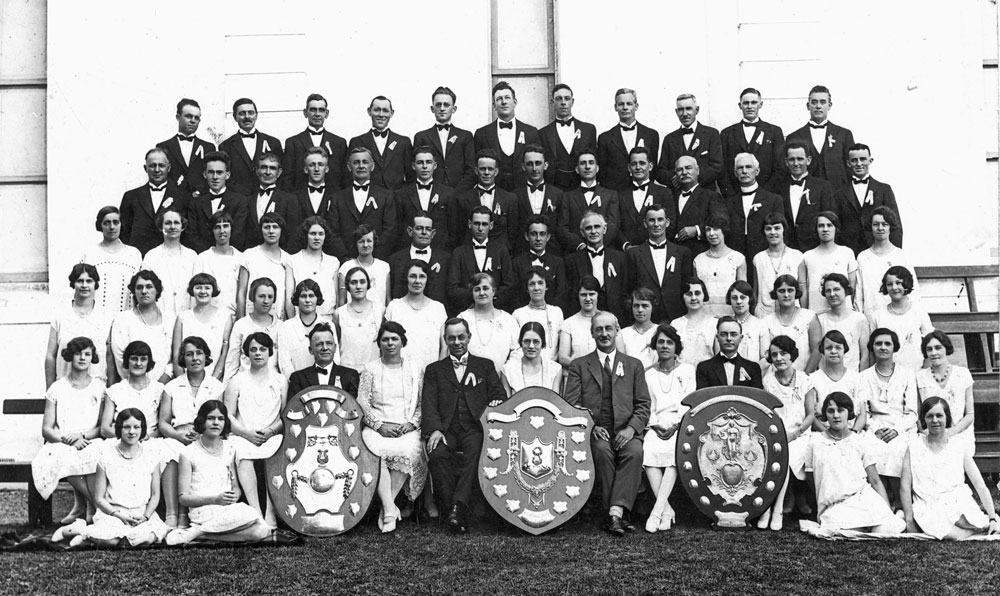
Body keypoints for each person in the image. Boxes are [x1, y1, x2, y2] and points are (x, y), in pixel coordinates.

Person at [564, 312, 651, 536]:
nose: (604, 334)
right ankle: (618, 513)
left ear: (617, 330)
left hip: (626, 431)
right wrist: (592, 427)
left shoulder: (634, 365)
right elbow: (572, 405)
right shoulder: (579, 365)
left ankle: (614, 514)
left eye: (608, 329)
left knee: (634, 452)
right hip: (596, 432)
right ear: (592, 333)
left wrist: (631, 429)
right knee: (602, 453)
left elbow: (643, 404)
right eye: (599, 329)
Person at [422, 318, 506, 533]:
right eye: (451, 338)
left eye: (461, 337)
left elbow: (499, 394)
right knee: (437, 453)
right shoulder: (434, 370)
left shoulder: (484, 366)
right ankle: (455, 510)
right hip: (446, 429)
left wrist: (495, 402)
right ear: (445, 340)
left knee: (475, 452)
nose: (457, 342)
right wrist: (436, 430)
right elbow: (429, 404)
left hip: (474, 429)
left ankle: (457, 508)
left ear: (469, 337)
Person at [53, 409, 170, 548]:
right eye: (126, 427)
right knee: (111, 540)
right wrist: (119, 515)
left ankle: (87, 537)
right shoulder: (106, 456)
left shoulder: (151, 457)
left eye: (136, 427)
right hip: (113, 514)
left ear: (142, 429)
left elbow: (155, 494)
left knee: (146, 540)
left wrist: (145, 516)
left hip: (141, 513)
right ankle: (77, 530)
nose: (131, 432)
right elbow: (99, 498)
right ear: (119, 429)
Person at [797, 392, 904, 534]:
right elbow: (811, 479)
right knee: (847, 532)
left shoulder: (859, 441)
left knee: (887, 529)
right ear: (825, 415)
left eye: (841, 410)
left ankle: (895, 516)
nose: (836, 415)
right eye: (831, 411)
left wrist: (885, 509)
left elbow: (875, 481)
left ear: (849, 413)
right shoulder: (815, 442)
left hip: (863, 498)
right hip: (834, 505)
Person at [357, 321, 428, 532]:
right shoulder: (370, 369)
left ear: (402, 341)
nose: (389, 343)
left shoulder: (415, 370)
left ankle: (387, 506)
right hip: (378, 427)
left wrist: (412, 424)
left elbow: (423, 403)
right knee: (374, 451)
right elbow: (362, 402)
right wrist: (379, 426)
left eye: (394, 338)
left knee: (408, 451)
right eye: (385, 339)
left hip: (406, 427)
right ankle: (389, 508)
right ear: (379, 343)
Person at [167, 400, 271, 544]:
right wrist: (215, 499)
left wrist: (234, 495)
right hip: (203, 510)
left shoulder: (229, 448)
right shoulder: (188, 452)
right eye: (211, 418)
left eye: (220, 419)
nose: (216, 423)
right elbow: (183, 498)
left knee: (262, 531)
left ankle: (200, 533)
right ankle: (202, 529)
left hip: (226, 509)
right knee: (254, 519)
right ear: (202, 421)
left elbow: (235, 487)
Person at [99, 340, 179, 527]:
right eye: (133, 359)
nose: (138, 363)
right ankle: (112, 510)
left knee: (168, 451)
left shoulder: (159, 389)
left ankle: (172, 513)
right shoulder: (115, 390)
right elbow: (105, 428)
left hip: (150, 439)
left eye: (143, 359)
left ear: (149, 363)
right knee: (101, 453)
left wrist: (148, 436)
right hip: (120, 439)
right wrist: (126, 436)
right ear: (127, 362)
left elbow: (163, 422)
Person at [899, 397, 999, 539]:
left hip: (956, 499)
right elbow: (904, 485)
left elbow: (979, 484)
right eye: (929, 416)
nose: (934, 420)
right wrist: (909, 520)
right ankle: (974, 531)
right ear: (924, 419)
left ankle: (985, 525)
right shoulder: (914, 446)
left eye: (939, 415)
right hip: (927, 503)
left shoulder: (958, 444)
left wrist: (992, 517)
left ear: (947, 418)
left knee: (967, 520)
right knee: (950, 534)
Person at [33, 337, 105, 523]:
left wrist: (81, 436)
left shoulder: (99, 387)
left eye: (87, 354)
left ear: (92, 358)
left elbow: (100, 427)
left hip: (89, 438)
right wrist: (70, 439)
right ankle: (93, 504)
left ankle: (81, 507)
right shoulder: (57, 388)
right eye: (78, 353)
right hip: (62, 440)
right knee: (64, 456)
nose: (82, 358)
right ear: (70, 356)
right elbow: (47, 429)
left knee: (95, 454)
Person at [224, 332, 287, 527]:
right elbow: (228, 416)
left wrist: (271, 431)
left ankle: (271, 513)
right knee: (242, 454)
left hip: (272, 435)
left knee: (277, 453)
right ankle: (256, 514)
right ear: (246, 354)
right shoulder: (237, 380)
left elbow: (285, 416)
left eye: (262, 349)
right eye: (253, 350)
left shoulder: (280, 380)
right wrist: (246, 433)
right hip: (244, 435)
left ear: (270, 353)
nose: (258, 353)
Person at [758, 335, 816, 531]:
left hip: (801, 433)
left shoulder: (805, 379)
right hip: (777, 433)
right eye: (774, 355)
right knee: (777, 454)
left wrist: (796, 433)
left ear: (792, 355)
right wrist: (782, 435)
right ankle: (768, 508)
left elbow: (810, 415)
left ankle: (777, 509)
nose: (779, 358)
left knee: (788, 456)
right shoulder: (768, 381)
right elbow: (770, 415)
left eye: (783, 353)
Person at [641, 324, 694, 533]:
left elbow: (690, 402)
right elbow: (647, 405)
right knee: (649, 452)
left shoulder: (688, 371)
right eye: (661, 342)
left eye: (669, 342)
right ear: (655, 345)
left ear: (676, 347)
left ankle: (656, 512)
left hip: (680, 423)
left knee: (674, 453)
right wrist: (654, 424)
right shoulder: (647, 374)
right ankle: (666, 509)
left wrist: (676, 424)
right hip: (655, 424)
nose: (664, 346)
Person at [858, 328, 918, 497]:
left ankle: (900, 500)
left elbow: (913, 412)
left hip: (902, 426)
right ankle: (881, 499)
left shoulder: (907, 374)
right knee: (872, 448)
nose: (883, 347)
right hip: (874, 426)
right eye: (878, 344)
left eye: (887, 344)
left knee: (899, 448)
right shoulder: (863, 377)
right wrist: (876, 428)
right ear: (872, 347)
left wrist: (896, 429)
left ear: (894, 347)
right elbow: (865, 412)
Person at [45, 264, 113, 387]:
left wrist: (110, 390)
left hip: (97, 389)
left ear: (95, 284)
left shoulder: (106, 316)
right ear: (73, 284)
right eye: (80, 281)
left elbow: (109, 356)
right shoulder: (60, 315)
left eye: (89, 281)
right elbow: (51, 355)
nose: (84, 285)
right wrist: (50, 391)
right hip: (66, 387)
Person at [626, 204, 694, 323]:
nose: (656, 224)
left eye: (660, 220)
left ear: (667, 222)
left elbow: (686, 287)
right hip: (646, 317)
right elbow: (629, 289)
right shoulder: (633, 254)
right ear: (645, 223)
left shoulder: (682, 253)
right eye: (652, 220)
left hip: (675, 315)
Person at [159, 336, 226, 458]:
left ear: (206, 357)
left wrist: (203, 436)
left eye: (199, 353)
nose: (195, 358)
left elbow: (221, 421)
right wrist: (177, 436)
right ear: (183, 359)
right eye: (189, 354)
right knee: (167, 451)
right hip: (177, 439)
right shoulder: (171, 387)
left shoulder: (217, 387)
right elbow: (163, 423)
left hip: (207, 438)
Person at [119, 148, 190, 256]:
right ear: (145, 168)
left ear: (169, 168)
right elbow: (123, 232)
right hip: (139, 256)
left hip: (172, 257)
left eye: (161, 165)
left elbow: (187, 232)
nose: (157, 170)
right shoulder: (131, 196)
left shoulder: (183, 196)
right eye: (152, 165)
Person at [767, 140, 836, 252]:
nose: (795, 163)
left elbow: (829, 218)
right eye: (791, 159)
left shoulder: (822, 187)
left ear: (808, 160)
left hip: (813, 247)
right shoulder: (778, 187)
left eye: (800, 159)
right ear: (786, 162)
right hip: (785, 247)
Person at [473, 80, 541, 192]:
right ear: (494, 106)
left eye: (507, 97)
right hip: (494, 191)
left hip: (524, 192)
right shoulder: (482, 133)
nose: (504, 102)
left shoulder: (531, 132)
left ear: (515, 102)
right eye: (499, 99)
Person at [915, 331, 976, 455]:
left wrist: (950, 432)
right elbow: (917, 413)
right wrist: (926, 432)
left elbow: (970, 414)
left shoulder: (962, 374)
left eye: (938, 348)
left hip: (959, 433)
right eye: (929, 349)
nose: (934, 353)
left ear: (946, 349)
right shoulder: (919, 377)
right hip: (930, 433)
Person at [835, 143, 902, 254]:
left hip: (878, 249)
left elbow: (895, 225)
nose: (859, 164)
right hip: (849, 251)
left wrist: (895, 254)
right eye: (854, 160)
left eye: (863, 159)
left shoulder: (884, 189)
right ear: (848, 163)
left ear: (870, 161)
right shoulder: (839, 193)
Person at [110, 270, 175, 384]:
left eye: (149, 287)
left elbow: (175, 357)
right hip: (132, 386)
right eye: (139, 287)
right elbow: (121, 359)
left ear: (157, 290)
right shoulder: (123, 320)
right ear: (134, 291)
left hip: (165, 385)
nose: (144, 291)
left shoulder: (171, 320)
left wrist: (160, 383)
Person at [446, 206, 515, 313]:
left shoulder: (501, 251)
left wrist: (489, 300)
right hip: (466, 310)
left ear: (491, 225)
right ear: (470, 224)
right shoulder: (459, 253)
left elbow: (509, 285)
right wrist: (475, 298)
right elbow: (453, 287)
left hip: (495, 310)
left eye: (484, 224)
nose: (480, 228)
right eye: (476, 223)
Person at [564, 211, 629, 323]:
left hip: (615, 317)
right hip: (584, 318)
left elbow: (625, 290)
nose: (593, 231)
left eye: (597, 227)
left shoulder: (620, 258)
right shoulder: (572, 260)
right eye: (589, 228)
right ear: (582, 232)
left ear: (604, 229)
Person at [719, 88, 785, 198]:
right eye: (746, 103)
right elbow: (723, 169)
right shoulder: (727, 133)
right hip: (735, 196)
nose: (749, 106)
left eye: (753, 102)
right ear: (740, 106)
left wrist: (766, 194)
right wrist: (731, 195)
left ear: (761, 104)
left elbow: (780, 168)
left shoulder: (774, 132)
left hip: (767, 195)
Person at [785, 85, 855, 188]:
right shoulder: (794, 136)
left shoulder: (843, 134)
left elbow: (851, 167)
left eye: (822, 102)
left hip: (837, 194)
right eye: (814, 102)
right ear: (808, 106)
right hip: (807, 193)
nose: (818, 106)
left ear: (829, 105)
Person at [384, 260, 448, 372]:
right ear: (406, 279)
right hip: (399, 373)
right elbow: (384, 344)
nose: (417, 281)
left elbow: (444, 347)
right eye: (413, 276)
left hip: (430, 374)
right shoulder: (394, 307)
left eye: (422, 276)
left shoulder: (437, 308)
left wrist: (438, 373)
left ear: (427, 280)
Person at [654, 93, 724, 191]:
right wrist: (677, 178)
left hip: (705, 195)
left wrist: (690, 179)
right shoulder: (669, 139)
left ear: (697, 110)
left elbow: (717, 167)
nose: (685, 113)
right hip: (677, 196)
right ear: (676, 112)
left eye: (688, 108)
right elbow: (661, 172)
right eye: (681, 109)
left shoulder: (711, 134)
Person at [856, 206, 918, 316]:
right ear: (871, 227)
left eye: (884, 224)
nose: (880, 228)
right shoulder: (863, 257)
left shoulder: (900, 255)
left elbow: (913, 291)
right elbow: (859, 294)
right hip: (871, 317)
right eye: (876, 224)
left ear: (890, 227)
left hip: (898, 316)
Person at [412, 86, 476, 191]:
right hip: (431, 193)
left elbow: (471, 170)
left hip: (459, 195)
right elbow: (416, 170)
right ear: (432, 109)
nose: (442, 108)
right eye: (438, 105)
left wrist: (457, 193)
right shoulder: (421, 137)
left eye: (446, 105)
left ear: (454, 109)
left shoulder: (465, 136)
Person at [394, 147, 459, 252]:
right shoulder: (401, 194)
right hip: (410, 252)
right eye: (420, 163)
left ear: (435, 165)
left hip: (441, 252)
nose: (424, 166)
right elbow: (399, 230)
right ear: (413, 166)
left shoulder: (448, 193)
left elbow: (453, 230)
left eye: (428, 162)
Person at [722, 153, 784, 262]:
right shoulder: (728, 202)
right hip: (736, 257)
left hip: (765, 256)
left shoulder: (773, 200)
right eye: (740, 168)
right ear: (735, 173)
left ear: (757, 171)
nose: (744, 171)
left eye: (748, 167)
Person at [170, 273, 233, 380]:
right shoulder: (183, 317)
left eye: (207, 288)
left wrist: (212, 382)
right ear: (192, 290)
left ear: (213, 290)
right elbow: (176, 354)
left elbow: (225, 353)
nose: (203, 291)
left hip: (215, 379)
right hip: (186, 380)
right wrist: (183, 382)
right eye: (198, 288)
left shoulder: (225, 316)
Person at [870, 266, 933, 372]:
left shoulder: (918, 311)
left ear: (907, 284)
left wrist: (924, 372)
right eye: (890, 284)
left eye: (898, 283)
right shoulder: (878, 316)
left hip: (916, 371)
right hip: (888, 374)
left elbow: (931, 341)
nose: (894, 287)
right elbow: (872, 350)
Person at [281, 93, 348, 193]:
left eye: (321, 110)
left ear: (327, 113)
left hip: (332, 200)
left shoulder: (339, 143)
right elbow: (288, 178)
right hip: (301, 200)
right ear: (305, 113)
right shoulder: (293, 143)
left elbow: (344, 178)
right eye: (313, 110)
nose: (317, 114)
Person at [185, 151, 250, 253]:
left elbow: (238, 234)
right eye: (211, 172)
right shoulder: (195, 203)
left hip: (230, 257)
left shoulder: (240, 201)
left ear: (227, 175)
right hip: (203, 258)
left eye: (219, 172)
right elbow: (192, 235)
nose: (215, 177)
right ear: (205, 174)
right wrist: (209, 255)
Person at [558, 148, 621, 251]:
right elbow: (563, 228)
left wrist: (598, 245)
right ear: (577, 169)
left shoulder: (610, 195)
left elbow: (613, 226)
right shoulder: (567, 196)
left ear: (597, 168)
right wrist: (580, 245)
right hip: (577, 253)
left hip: (605, 251)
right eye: (583, 163)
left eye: (591, 163)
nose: (587, 167)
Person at [596, 87, 659, 192]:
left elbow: (653, 168)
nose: (625, 107)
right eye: (620, 104)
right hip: (616, 194)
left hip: (642, 192)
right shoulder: (605, 138)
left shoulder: (651, 135)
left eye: (629, 104)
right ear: (615, 107)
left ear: (636, 106)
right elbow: (602, 173)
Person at [81, 206, 142, 313]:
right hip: (97, 317)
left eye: (116, 222)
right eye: (106, 223)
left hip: (126, 316)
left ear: (121, 224)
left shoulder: (134, 254)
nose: (112, 227)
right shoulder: (91, 253)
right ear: (99, 226)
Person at [537, 83, 597, 191]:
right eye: (559, 99)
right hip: (554, 188)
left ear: (572, 102)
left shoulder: (588, 130)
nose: (563, 103)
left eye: (567, 99)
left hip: (581, 187)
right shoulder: (543, 133)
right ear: (552, 103)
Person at [218, 97, 283, 195]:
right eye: (242, 113)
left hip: (268, 196)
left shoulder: (273, 142)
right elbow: (226, 177)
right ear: (235, 117)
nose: (247, 117)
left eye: (251, 112)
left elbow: (282, 174)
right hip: (239, 199)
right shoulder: (225, 146)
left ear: (256, 115)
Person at [457, 272, 520, 373]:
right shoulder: (463, 318)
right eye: (477, 289)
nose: (482, 293)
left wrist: (505, 372)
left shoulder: (508, 320)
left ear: (493, 291)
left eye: (485, 288)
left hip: (500, 379)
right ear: (472, 293)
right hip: (468, 379)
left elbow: (517, 351)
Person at [457, 149, 519, 250]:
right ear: (476, 171)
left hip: (500, 255)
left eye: (490, 169)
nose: (486, 173)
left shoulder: (510, 199)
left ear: (496, 171)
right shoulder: (463, 199)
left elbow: (513, 233)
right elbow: (459, 233)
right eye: (482, 169)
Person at [349, 96, 414, 191]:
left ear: (392, 113)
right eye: (377, 110)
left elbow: (411, 175)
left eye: (385, 111)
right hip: (367, 196)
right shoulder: (356, 142)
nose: (381, 114)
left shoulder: (403, 142)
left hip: (396, 199)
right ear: (369, 111)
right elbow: (349, 176)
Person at [798, 211, 858, 314]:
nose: (825, 229)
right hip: (817, 312)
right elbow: (803, 290)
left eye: (829, 225)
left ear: (836, 228)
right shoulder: (807, 256)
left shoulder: (846, 252)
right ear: (816, 229)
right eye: (821, 226)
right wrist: (806, 314)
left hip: (843, 312)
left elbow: (852, 285)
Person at [140, 208, 197, 316]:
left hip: (186, 316)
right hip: (159, 315)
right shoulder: (151, 256)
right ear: (161, 227)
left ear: (182, 227)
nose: (172, 227)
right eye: (167, 223)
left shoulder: (192, 256)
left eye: (176, 223)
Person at [808, 273, 869, 372]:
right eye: (828, 290)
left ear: (846, 291)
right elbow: (815, 354)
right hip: (825, 380)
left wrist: (861, 381)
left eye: (836, 289)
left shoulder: (859, 319)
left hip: (852, 380)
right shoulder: (819, 320)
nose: (832, 294)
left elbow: (865, 355)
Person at [387, 212, 451, 305]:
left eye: (428, 229)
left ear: (433, 234)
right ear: (410, 231)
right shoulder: (395, 260)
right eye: (419, 228)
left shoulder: (446, 259)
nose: (424, 232)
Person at [760, 274, 821, 372]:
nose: (786, 295)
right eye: (781, 291)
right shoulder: (766, 322)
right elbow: (766, 356)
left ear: (796, 292)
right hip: (776, 380)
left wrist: (805, 377)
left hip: (805, 377)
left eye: (790, 290)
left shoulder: (809, 317)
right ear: (775, 294)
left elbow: (817, 351)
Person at [239, 212, 294, 320]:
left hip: (277, 317)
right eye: (267, 227)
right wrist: (240, 320)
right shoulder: (249, 255)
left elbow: (289, 296)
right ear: (261, 230)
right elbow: (241, 292)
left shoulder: (287, 259)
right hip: (251, 316)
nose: (271, 231)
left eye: (275, 227)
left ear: (281, 230)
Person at [225, 277, 280, 384]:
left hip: (272, 384)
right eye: (261, 296)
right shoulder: (241, 325)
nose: (266, 301)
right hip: (246, 383)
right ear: (252, 297)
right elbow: (231, 363)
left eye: (270, 297)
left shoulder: (280, 326)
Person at [619, 146, 675, 251]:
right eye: (634, 164)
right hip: (627, 252)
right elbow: (616, 225)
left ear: (650, 166)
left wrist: (651, 246)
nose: (638, 167)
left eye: (642, 163)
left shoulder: (664, 193)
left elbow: (670, 224)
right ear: (629, 167)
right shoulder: (620, 194)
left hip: (655, 250)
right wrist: (626, 246)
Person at [156, 98, 215, 196]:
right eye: (188, 116)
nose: (193, 121)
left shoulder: (208, 147)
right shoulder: (163, 146)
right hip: (173, 200)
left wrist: (199, 191)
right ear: (178, 117)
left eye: (196, 118)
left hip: (199, 201)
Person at [513, 145, 565, 256]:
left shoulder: (558, 194)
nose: (534, 168)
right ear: (523, 167)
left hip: (552, 254)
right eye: (529, 164)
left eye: (538, 163)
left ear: (545, 165)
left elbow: (560, 228)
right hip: (522, 254)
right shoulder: (514, 196)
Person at [276, 279, 332, 379]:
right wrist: (297, 382)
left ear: (317, 298)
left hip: (324, 384)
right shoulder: (286, 327)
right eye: (303, 296)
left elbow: (334, 357)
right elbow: (284, 363)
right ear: (297, 299)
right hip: (296, 386)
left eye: (311, 296)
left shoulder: (329, 325)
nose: (307, 300)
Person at [809, 331, 865, 432]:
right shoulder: (813, 379)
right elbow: (811, 416)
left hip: (852, 434)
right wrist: (828, 435)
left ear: (844, 350)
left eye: (838, 347)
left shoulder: (856, 378)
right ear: (822, 351)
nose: (833, 351)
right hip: (823, 434)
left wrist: (853, 434)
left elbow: (862, 414)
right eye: (828, 348)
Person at [510, 215, 568, 311]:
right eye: (533, 234)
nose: (538, 238)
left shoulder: (557, 263)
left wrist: (549, 311)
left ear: (548, 237)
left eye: (542, 234)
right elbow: (515, 293)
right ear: (526, 236)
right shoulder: (517, 263)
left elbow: (561, 292)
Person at [751, 213, 804, 317]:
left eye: (777, 228)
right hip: (765, 314)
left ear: (783, 229)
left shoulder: (797, 256)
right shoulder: (758, 258)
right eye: (768, 229)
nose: (773, 232)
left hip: (793, 313)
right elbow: (755, 291)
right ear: (764, 232)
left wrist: (803, 314)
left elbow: (802, 289)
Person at [287, 323, 360, 397]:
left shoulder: (350, 375)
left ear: (335, 348)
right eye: (319, 344)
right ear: (311, 350)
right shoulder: (298, 378)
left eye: (329, 343)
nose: (325, 348)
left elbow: (353, 406)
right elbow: (294, 407)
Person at [244, 152, 300, 251]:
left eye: (272, 168)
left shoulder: (290, 200)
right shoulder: (248, 200)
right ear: (257, 171)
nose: (268, 172)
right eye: (264, 167)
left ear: (279, 172)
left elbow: (293, 235)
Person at [193, 211, 245, 314]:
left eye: (225, 226)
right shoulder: (203, 258)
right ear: (212, 230)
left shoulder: (241, 258)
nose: (222, 231)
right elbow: (195, 292)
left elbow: (242, 293)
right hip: (207, 316)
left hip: (233, 315)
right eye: (217, 227)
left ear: (231, 229)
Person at [695, 215, 747, 317]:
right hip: (704, 317)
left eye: (715, 229)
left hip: (730, 317)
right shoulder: (698, 260)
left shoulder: (737, 258)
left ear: (724, 231)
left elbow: (742, 293)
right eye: (708, 230)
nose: (711, 233)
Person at [288, 216, 340, 317]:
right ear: (306, 235)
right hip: (300, 319)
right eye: (313, 234)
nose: (317, 238)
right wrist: (293, 322)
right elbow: (289, 298)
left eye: (321, 234)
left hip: (327, 318)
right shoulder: (293, 260)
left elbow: (337, 297)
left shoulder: (333, 262)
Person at [333, 266, 383, 370]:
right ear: (347, 286)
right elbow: (335, 347)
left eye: (362, 282)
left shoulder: (380, 310)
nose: (358, 286)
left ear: (368, 285)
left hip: (373, 371)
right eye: (353, 282)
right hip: (347, 372)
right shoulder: (339, 313)